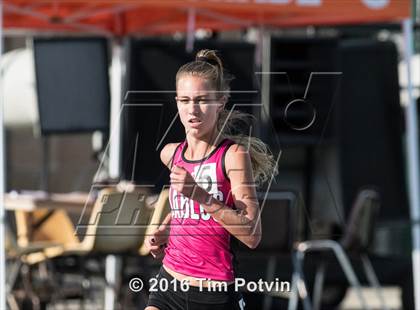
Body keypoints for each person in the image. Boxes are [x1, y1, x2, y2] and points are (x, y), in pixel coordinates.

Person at [145, 49, 278, 310]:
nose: (192, 109)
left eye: (202, 100)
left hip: (213, 293)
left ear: (221, 102)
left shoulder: (232, 156)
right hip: (169, 282)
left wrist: (201, 195)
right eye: (184, 100)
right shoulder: (171, 153)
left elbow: (252, 234)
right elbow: (183, 209)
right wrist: (166, 229)